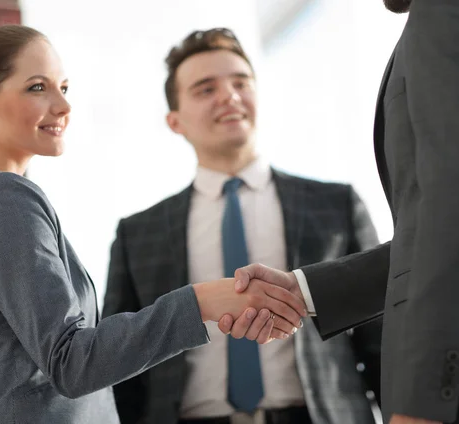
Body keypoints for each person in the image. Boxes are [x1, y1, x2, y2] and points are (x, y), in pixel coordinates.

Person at [0, 24, 307, 424]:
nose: (63, 105)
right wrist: (203, 301)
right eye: (37, 87)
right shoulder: (1, 197)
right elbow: (72, 362)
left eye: (64, 87)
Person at [102, 27, 383, 424]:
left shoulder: (336, 204)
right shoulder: (136, 234)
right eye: (205, 88)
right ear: (175, 121)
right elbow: (123, 357)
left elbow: (382, 334)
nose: (229, 96)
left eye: (240, 83)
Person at [225, 1, 459, 423]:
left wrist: (424, 402)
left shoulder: (446, 11)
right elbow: (430, 234)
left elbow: (457, 214)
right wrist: (303, 291)